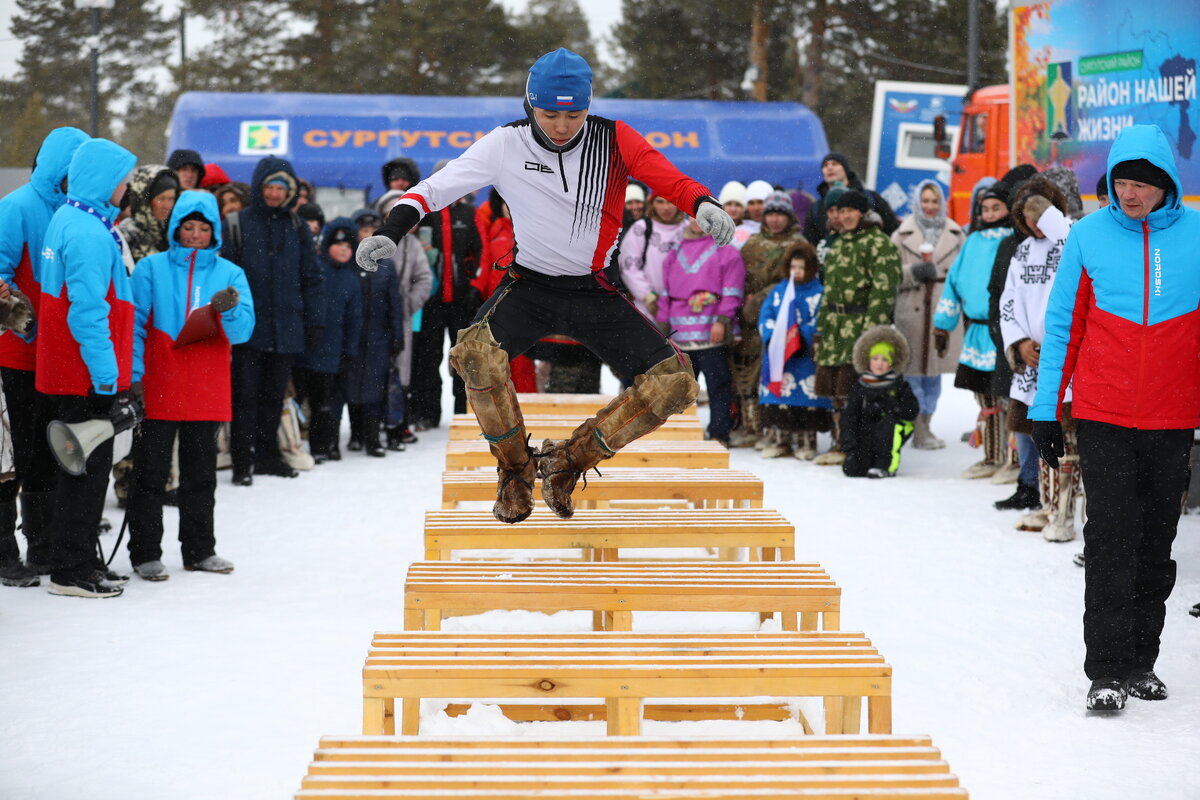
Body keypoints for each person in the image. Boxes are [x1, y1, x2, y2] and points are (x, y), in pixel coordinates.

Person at [357, 47, 734, 524]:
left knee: (675, 384)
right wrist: (391, 231)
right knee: (473, 356)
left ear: (589, 107)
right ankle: (515, 470)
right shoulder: (504, 144)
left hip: (593, 289)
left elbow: (670, 179)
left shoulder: (614, 140)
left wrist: (703, 203)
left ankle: (567, 462)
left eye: (574, 113)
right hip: (529, 287)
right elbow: (434, 189)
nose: (561, 125)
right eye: (549, 113)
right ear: (528, 106)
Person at [1029, 124, 1200, 712]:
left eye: (1141, 184)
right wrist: (1046, 409)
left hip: (1173, 416)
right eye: (1121, 182)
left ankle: (1141, 661)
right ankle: (1105, 669)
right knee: (1110, 537)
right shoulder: (1088, 235)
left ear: (1167, 185)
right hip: (1103, 413)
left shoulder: (1198, 234)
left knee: (1157, 540)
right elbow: (1062, 328)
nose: (1129, 194)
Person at [126, 191, 254, 580]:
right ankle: (145, 552)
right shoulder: (149, 268)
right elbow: (133, 326)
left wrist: (228, 311)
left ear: (213, 231)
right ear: (176, 229)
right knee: (150, 473)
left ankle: (200, 550)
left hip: (206, 384)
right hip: (159, 380)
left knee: (201, 475)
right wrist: (133, 377)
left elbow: (244, 331)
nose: (195, 235)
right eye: (188, 227)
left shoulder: (230, 273)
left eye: (203, 228)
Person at [36, 137, 138, 598]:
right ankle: (70, 569)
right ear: (104, 180)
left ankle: (77, 558)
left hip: (70, 366)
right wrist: (104, 379)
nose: (127, 186)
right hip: (84, 371)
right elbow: (87, 312)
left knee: (78, 470)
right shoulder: (87, 232)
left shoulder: (71, 218)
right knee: (86, 470)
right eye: (123, 178)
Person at [0, 126, 89, 588]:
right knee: (11, 458)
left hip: (58, 358)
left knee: (48, 454)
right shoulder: (15, 207)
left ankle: (42, 544)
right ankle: (4, 551)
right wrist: (27, 320)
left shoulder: (76, 214)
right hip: (15, 354)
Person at [220, 156, 324, 485]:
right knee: (244, 397)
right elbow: (225, 278)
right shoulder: (236, 223)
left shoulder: (296, 227)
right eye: (268, 186)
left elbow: (311, 278)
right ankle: (242, 460)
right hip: (247, 330)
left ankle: (267, 455)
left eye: (281, 188)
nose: (274, 194)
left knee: (273, 396)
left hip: (286, 328)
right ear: (258, 187)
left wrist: (313, 322)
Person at [999, 175, 1077, 541]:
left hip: (1066, 361)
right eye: (1026, 215)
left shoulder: (1072, 238)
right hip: (1033, 360)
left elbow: (1063, 232)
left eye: (1040, 213)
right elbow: (1009, 301)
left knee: (1068, 444)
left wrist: (1047, 212)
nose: (1034, 222)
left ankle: (1064, 515)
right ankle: (1048, 508)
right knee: (1039, 437)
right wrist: (1019, 343)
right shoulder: (1023, 251)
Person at [812, 189, 903, 466]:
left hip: (860, 325)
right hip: (835, 326)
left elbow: (883, 290)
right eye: (841, 211)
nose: (845, 216)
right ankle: (841, 442)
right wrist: (821, 328)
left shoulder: (878, 243)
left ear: (862, 213)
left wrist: (870, 332)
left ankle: (860, 444)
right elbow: (828, 290)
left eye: (850, 211)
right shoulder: (837, 243)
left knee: (856, 389)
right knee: (836, 389)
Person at [933, 181, 1013, 479]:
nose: (990, 214)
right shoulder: (973, 241)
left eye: (996, 208)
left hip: (1005, 331)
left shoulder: (1014, 240)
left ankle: (1014, 459)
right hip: (977, 331)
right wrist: (943, 325)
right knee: (985, 397)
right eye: (985, 209)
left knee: (1008, 397)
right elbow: (954, 282)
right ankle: (992, 456)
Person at [657, 213, 745, 446]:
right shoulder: (674, 253)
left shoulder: (727, 251)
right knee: (680, 390)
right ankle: (683, 435)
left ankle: (719, 433)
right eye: (693, 217)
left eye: (704, 217)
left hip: (710, 331)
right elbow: (665, 293)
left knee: (718, 386)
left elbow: (732, 290)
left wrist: (722, 320)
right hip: (680, 333)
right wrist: (662, 327)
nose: (698, 222)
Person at [407, 165, 483, 430]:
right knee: (428, 358)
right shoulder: (425, 212)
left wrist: (474, 283)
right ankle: (427, 413)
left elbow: (480, 252)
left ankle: (464, 413)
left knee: (465, 360)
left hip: (462, 300)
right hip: (431, 300)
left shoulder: (469, 213)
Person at [890, 180, 965, 449]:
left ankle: (927, 424)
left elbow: (965, 273)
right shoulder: (901, 235)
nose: (930, 207)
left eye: (935, 201)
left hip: (942, 309)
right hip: (911, 309)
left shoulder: (956, 234)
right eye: (926, 201)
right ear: (917, 203)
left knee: (933, 373)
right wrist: (913, 273)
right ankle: (915, 427)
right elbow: (889, 274)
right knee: (911, 373)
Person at [730, 190, 807, 447]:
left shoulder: (798, 245)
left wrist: (762, 299)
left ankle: (772, 430)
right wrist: (741, 303)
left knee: (774, 373)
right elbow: (737, 276)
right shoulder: (751, 243)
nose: (775, 220)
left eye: (780, 215)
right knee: (746, 373)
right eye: (771, 214)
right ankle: (750, 427)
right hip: (748, 321)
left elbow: (793, 282)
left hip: (782, 319)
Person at [757, 240, 832, 459]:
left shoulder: (819, 292)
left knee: (805, 402)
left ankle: (807, 443)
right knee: (780, 399)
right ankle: (781, 441)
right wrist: (773, 336)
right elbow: (766, 315)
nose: (797, 272)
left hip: (806, 357)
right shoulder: (779, 292)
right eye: (793, 267)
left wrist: (801, 337)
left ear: (811, 268)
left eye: (801, 267)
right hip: (780, 356)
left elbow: (821, 319)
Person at [295, 219, 362, 463]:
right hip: (308, 349)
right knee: (305, 399)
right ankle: (299, 444)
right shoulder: (316, 270)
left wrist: (349, 351)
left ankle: (326, 444)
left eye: (348, 245)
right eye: (338, 244)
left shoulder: (351, 279)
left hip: (335, 353)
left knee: (329, 403)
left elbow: (355, 320)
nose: (344, 249)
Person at [373, 190, 432, 450]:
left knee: (402, 369)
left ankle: (398, 423)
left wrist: (407, 304)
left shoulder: (413, 244)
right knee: (374, 368)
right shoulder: (375, 240)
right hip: (374, 317)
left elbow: (425, 279)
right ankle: (372, 425)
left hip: (402, 317)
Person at [342, 221, 404, 458]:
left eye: (371, 231)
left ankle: (372, 438)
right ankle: (356, 434)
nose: (366, 235)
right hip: (353, 336)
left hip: (379, 336)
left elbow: (394, 304)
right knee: (352, 385)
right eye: (362, 230)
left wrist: (397, 336)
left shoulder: (386, 266)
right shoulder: (347, 264)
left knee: (375, 389)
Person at [840, 325, 918, 478]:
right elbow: (850, 416)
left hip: (893, 428)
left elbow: (911, 411)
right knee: (853, 469)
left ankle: (886, 464)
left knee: (888, 425)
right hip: (867, 429)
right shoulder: (861, 385)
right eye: (875, 359)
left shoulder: (899, 385)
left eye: (884, 359)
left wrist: (890, 405)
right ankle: (865, 458)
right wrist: (849, 446)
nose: (879, 364)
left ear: (891, 362)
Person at [618, 191, 688, 321]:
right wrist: (647, 295)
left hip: (685, 307)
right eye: (660, 202)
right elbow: (629, 265)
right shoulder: (642, 229)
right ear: (652, 203)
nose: (666, 208)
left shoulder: (688, 230)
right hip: (647, 307)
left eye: (671, 202)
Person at [803, 152, 899, 245]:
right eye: (825, 165)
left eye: (834, 164)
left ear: (845, 169)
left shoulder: (871, 198)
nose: (829, 167)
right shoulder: (816, 208)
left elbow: (891, 229)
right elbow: (810, 243)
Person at [119, 165, 180, 262]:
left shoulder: (175, 233)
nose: (167, 206)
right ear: (145, 201)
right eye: (161, 199)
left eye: (171, 199)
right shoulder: (126, 234)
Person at [717, 181, 751, 249]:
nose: (733, 209)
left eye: (738, 205)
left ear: (744, 208)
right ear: (723, 207)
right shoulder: (712, 230)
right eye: (729, 204)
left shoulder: (753, 230)